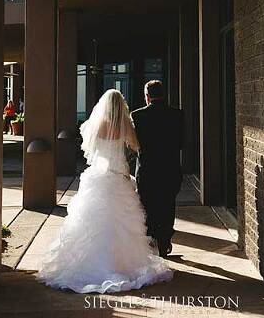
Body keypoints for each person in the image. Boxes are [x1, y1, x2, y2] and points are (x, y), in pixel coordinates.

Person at [37, 89, 173, 293]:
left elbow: (89, 149)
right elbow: (137, 147)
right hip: (118, 175)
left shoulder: (97, 125)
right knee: (120, 220)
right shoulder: (124, 125)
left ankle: (91, 262)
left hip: (99, 176)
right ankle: (120, 263)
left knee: (92, 221)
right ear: (121, 106)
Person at [131, 79, 185, 257]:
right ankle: (165, 242)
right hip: (170, 169)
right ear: (164, 94)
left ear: (147, 96)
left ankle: (152, 241)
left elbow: (134, 145)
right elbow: (183, 142)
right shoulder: (177, 114)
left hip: (147, 170)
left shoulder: (137, 115)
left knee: (148, 206)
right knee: (168, 205)